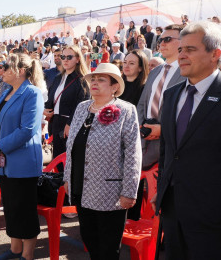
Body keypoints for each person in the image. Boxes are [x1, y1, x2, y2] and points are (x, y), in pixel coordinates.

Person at [153, 21, 221, 260]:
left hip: (212, 216)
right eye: (180, 49)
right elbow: (167, 151)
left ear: (215, 54)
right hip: (173, 209)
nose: (181, 55)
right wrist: (161, 190)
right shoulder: (171, 95)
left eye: (190, 50)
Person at [63, 63, 142, 260]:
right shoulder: (82, 108)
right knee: (89, 240)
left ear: (115, 86)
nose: (95, 83)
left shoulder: (126, 110)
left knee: (108, 247)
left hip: (109, 192)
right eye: (93, 80)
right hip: (80, 186)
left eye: (101, 80)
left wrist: (129, 191)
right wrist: (67, 178)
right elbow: (71, 146)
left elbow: (133, 153)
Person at [0, 53, 44, 260]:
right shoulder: (6, 92)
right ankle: (15, 249)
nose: (1, 70)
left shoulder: (32, 93)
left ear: (20, 71)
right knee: (10, 206)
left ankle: (27, 255)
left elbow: (27, 129)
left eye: (6, 66)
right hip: (3, 161)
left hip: (22, 161)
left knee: (24, 209)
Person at [136, 24, 186, 169]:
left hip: (170, 143)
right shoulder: (154, 71)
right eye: (160, 40)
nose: (162, 43)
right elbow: (142, 104)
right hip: (143, 139)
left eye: (168, 39)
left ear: (183, 42)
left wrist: (164, 130)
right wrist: (139, 127)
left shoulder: (188, 72)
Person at [44, 45, 90, 172]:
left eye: (69, 57)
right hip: (56, 123)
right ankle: (59, 188)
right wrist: (45, 110)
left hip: (70, 125)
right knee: (58, 161)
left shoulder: (82, 80)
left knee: (69, 162)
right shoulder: (58, 77)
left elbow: (82, 105)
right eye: (63, 56)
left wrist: (71, 124)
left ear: (77, 59)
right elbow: (50, 98)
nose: (65, 59)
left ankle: (68, 191)